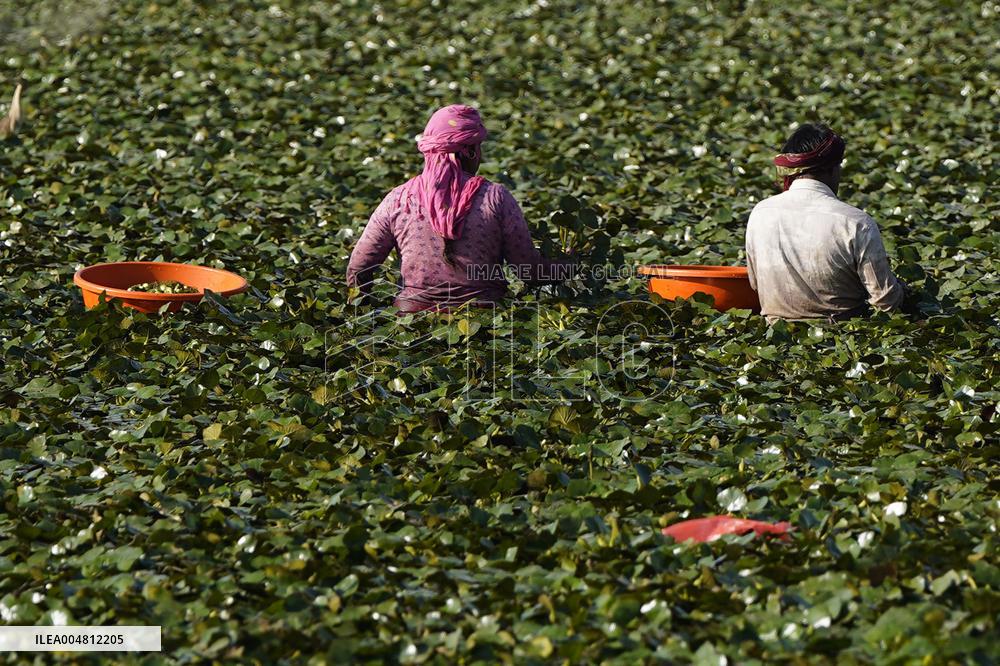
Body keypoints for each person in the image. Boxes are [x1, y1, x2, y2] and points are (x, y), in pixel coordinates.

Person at [347, 104, 575, 312]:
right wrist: (570, 267)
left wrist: (366, 312)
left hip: (409, 319)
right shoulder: (495, 197)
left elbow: (358, 268)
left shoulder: (398, 199)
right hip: (484, 321)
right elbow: (531, 271)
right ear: (471, 152)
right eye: (479, 147)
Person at [745, 123, 906, 322]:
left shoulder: (760, 213)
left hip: (776, 335)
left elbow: (755, 284)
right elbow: (885, 301)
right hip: (844, 336)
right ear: (832, 168)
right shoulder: (855, 222)